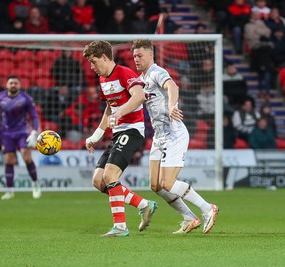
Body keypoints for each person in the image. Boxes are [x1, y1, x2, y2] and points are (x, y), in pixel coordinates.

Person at [131, 39, 218, 235]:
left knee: (168, 183)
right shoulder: (141, 79)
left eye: (140, 55)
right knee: (156, 185)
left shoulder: (156, 72)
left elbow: (173, 87)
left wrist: (171, 106)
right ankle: (189, 217)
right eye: (134, 56)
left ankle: (207, 209)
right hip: (159, 137)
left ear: (150, 55)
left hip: (174, 134)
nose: (136, 59)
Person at [82, 40, 157, 237]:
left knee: (110, 176)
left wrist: (120, 113)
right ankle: (144, 204)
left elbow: (139, 96)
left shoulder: (125, 73)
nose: (92, 67)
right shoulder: (103, 79)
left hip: (132, 131)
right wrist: (96, 135)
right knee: (99, 181)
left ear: (105, 58)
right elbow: (109, 107)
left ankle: (121, 227)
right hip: (118, 134)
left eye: (94, 61)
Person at [0, 76, 41, 200]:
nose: (13, 85)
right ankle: (9, 191)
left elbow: (34, 116)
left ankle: (35, 184)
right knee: (9, 159)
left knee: (26, 156)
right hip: (6, 133)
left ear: (19, 85)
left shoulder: (26, 98)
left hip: (22, 131)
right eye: (11, 83)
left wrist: (34, 132)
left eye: (15, 83)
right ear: (6, 85)